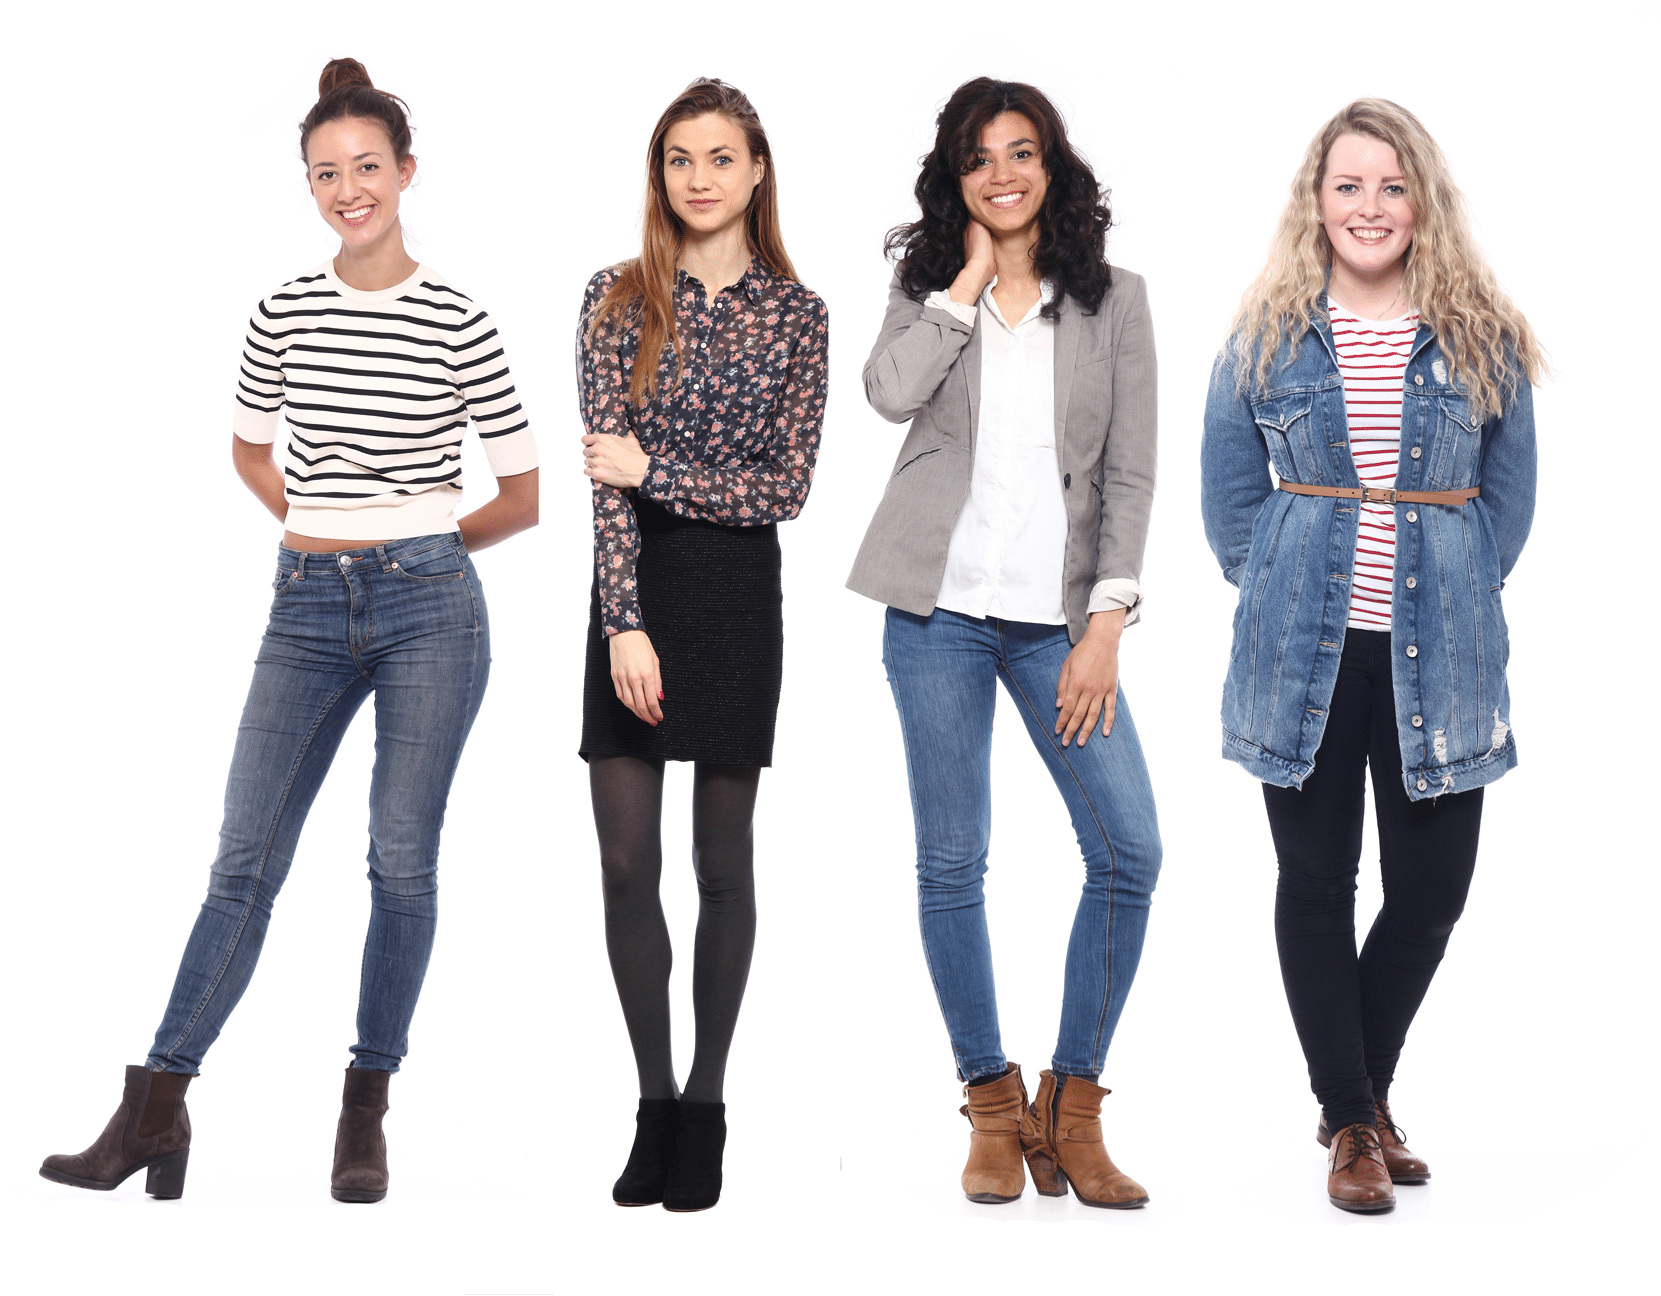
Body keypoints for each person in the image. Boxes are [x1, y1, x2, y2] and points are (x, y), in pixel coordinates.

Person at [38, 58, 540, 1204]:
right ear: (308, 184)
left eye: (368, 168)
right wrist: (317, 528)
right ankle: (156, 1107)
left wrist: (415, 545)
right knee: (243, 863)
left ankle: (364, 1111)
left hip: (431, 608)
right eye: (327, 173)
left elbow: (521, 493)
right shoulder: (282, 308)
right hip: (305, 605)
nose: (348, 189)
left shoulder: (460, 316)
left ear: (406, 174)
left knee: (399, 863)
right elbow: (250, 452)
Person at [1200, 98, 1543, 1213]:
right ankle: (1352, 1121)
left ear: (1421, 202)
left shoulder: (1480, 332)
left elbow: (1506, 504)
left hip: (1436, 654)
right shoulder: (1261, 336)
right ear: (1316, 201)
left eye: (1390, 186)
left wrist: (1448, 591)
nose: (1368, 206)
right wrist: (1283, 582)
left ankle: (1356, 1092)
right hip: (1300, 652)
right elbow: (1228, 504)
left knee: (1431, 894)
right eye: (1347, 185)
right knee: (1313, 885)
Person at [847, 77, 1161, 1208]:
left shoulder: (1114, 301)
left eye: (1020, 152)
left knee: (1129, 851)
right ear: (956, 176)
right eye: (979, 158)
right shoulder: (928, 284)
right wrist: (962, 286)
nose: (1002, 173)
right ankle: (990, 1107)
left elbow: (1128, 473)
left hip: (1057, 627)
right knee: (950, 863)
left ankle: (1071, 1111)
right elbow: (886, 395)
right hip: (933, 615)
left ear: (1051, 165)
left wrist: (1106, 624)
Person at [577, 77, 827, 1213]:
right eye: (680, 158)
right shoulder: (613, 298)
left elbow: (786, 487)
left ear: (755, 170)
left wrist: (656, 469)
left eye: (719, 157)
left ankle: (709, 1110)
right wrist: (622, 620)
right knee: (628, 862)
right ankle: (651, 1101)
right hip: (632, 590)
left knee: (722, 864)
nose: (698, 178)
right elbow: (603, 488)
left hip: (733, 594)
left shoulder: (797, 315)